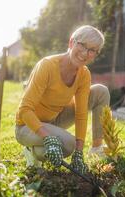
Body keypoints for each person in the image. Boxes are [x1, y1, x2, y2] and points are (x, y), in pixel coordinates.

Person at [15, 25, 110, 174]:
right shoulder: (47, 66)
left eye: (92, 50)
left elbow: (81, 114)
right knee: (67, 144)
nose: (85, 53)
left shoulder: (84, 74)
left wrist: (79, 152)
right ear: (71, 42)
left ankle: (96, 149)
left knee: (100, 91)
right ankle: (33, 151)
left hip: (55, 119)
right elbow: (24, 110)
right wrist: (48, 137)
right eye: (83, 45)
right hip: (26, 125)